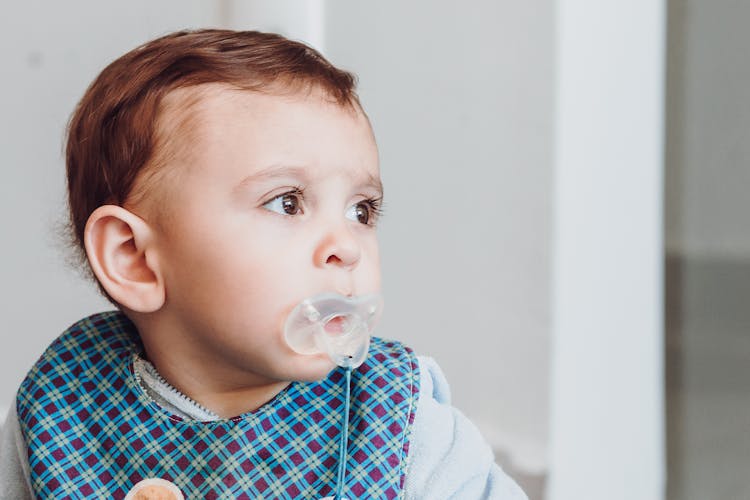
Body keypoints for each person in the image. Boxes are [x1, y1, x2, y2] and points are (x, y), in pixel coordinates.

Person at [0, 29, 527, 500]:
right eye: (288, 202)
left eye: (361, 210)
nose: (346, 245)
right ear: (134, 259)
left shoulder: (404, 428)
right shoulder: (64, 410)